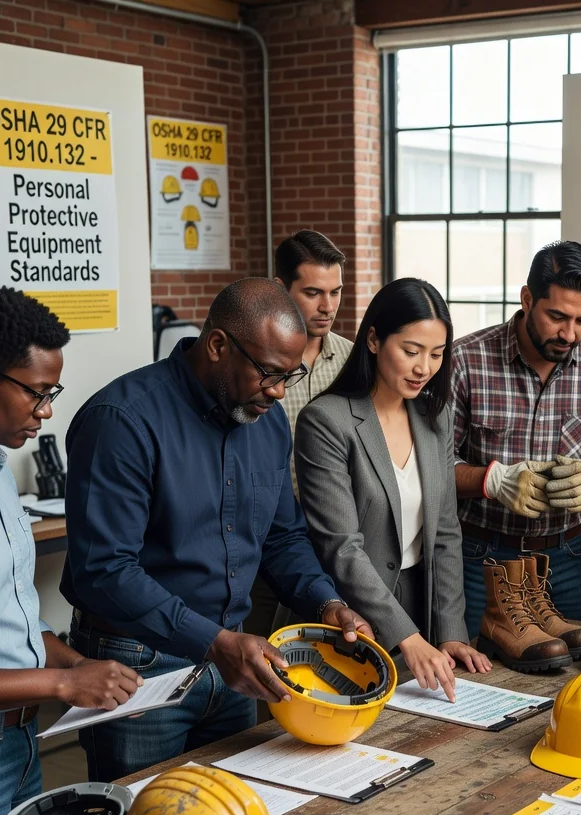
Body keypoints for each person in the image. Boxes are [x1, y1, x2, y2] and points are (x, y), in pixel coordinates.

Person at [62, 278, 372, 787]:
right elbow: (105, 571)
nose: (277, 392)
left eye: (289, 376)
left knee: (227, 811)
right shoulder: (121, 420)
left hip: (234, 662)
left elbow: (282, 538)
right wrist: (215, 643)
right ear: (218, 345)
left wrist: (324, 602)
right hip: (138, 668)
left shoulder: (268, 423)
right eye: (268, 373)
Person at [0, 287, 143, 815]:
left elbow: (11, 617)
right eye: (36, 392)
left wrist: (76, 665)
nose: (47, 411)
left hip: (19, 741)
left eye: (54, 391)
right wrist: (63, 686)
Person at [295, 279, 490, 701]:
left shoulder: (435, 418)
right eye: (411, 351)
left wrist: (450, 631)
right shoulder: (327, 421)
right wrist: (409, 636)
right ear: (373, 339)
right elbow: (341, 548)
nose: (424, 368)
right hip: (348, 616)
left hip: (420, 601)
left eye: (437, 354)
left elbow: (445, 533)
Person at [452, 241, 581, 636]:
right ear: (527, 299)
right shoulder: (465, 360)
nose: (570, 334)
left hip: (566, 557)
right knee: (472, 675)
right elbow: (428, 466)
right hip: (478, 557)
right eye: (557, 316)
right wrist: (492, 481)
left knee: (569, 670)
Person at [245, 230, 353, 637]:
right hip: (262, 543)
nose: (328, 307)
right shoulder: (252, 365)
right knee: (254, 666)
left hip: (333, 545)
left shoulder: (352, 361)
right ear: (280, 289)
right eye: (312, 293)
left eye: (336, 291)